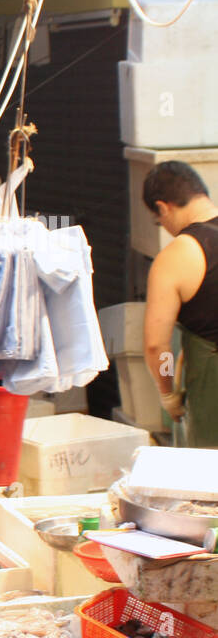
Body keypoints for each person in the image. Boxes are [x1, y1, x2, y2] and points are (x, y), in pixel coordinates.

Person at [143, 161, 218, 447]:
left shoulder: (178, 255)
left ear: (163, 207)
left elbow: (158, 348)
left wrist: (167, 392)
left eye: (158, 220)